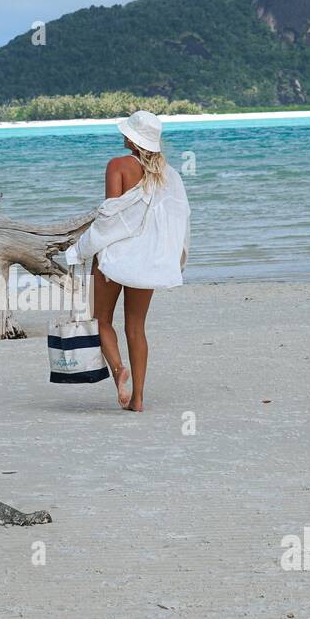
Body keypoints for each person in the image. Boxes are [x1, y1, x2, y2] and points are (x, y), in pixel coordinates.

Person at [64, 109, 190, 412]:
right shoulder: (168, 175)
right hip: (147, 260)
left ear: (132, 138)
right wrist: (171, 259)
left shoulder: (117, 165)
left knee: (101, 320)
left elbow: (111, 217)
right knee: (136, 326)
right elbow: (180, 219)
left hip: (115, 258)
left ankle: (119, 369)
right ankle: (138, 399)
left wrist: (80, 249)